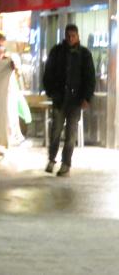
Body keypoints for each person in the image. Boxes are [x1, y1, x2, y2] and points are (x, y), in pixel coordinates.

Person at [43, 24, 95, 177]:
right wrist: (51, 91)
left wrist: (87, 97)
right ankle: (52, 159)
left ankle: (66, 163)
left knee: (70, 134)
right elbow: (48, 73)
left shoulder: (84, 54)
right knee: (56, 131)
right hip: (60, 98)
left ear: (78, 36)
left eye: (73, 36)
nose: (71, 39)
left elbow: (90, 77)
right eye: (68, 36)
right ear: (65, 36)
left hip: (75, 100)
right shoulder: (57, 52)